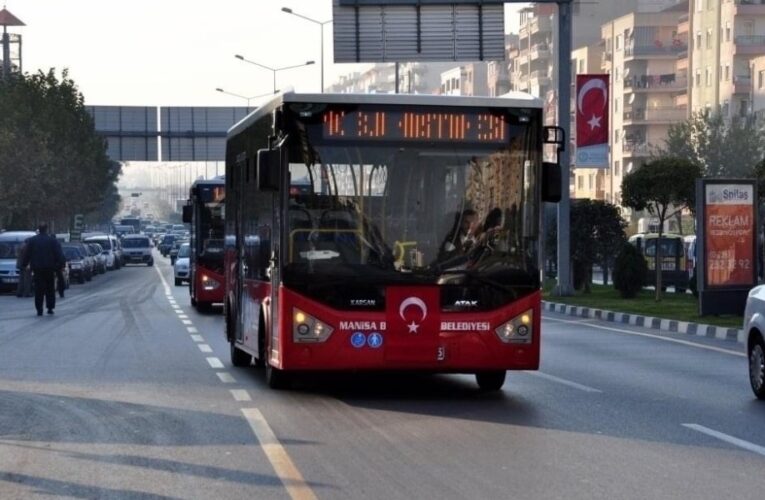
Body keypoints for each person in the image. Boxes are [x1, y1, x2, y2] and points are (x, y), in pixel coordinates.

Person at [21, 224, 65, 316]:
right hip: (50, 268)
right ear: (46, 229)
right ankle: (50, 307)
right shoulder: (52, 241)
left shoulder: (32, 241)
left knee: (39, 290)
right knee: (50, 289)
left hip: (37, 269)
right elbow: (59, 254)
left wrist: (24, 264)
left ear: (39, 229)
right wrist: (59, 265)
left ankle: (39, 309)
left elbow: (27, 254)